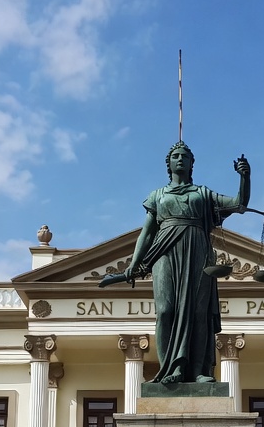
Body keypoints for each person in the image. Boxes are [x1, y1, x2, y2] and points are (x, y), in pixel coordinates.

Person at [101, 140, 251, 384]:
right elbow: (146, 233)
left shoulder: (203, 194)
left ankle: (198, 371)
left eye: (185, 156)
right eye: (176, 156)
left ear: (192, 164)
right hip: (164, 252)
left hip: (198, 252)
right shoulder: (157, 196)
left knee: (198, 312)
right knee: (165, 311)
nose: (180, 159)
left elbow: (239, 204)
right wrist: (133, 264)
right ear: (168, 164)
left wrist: (244, 177)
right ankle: (170, 368)